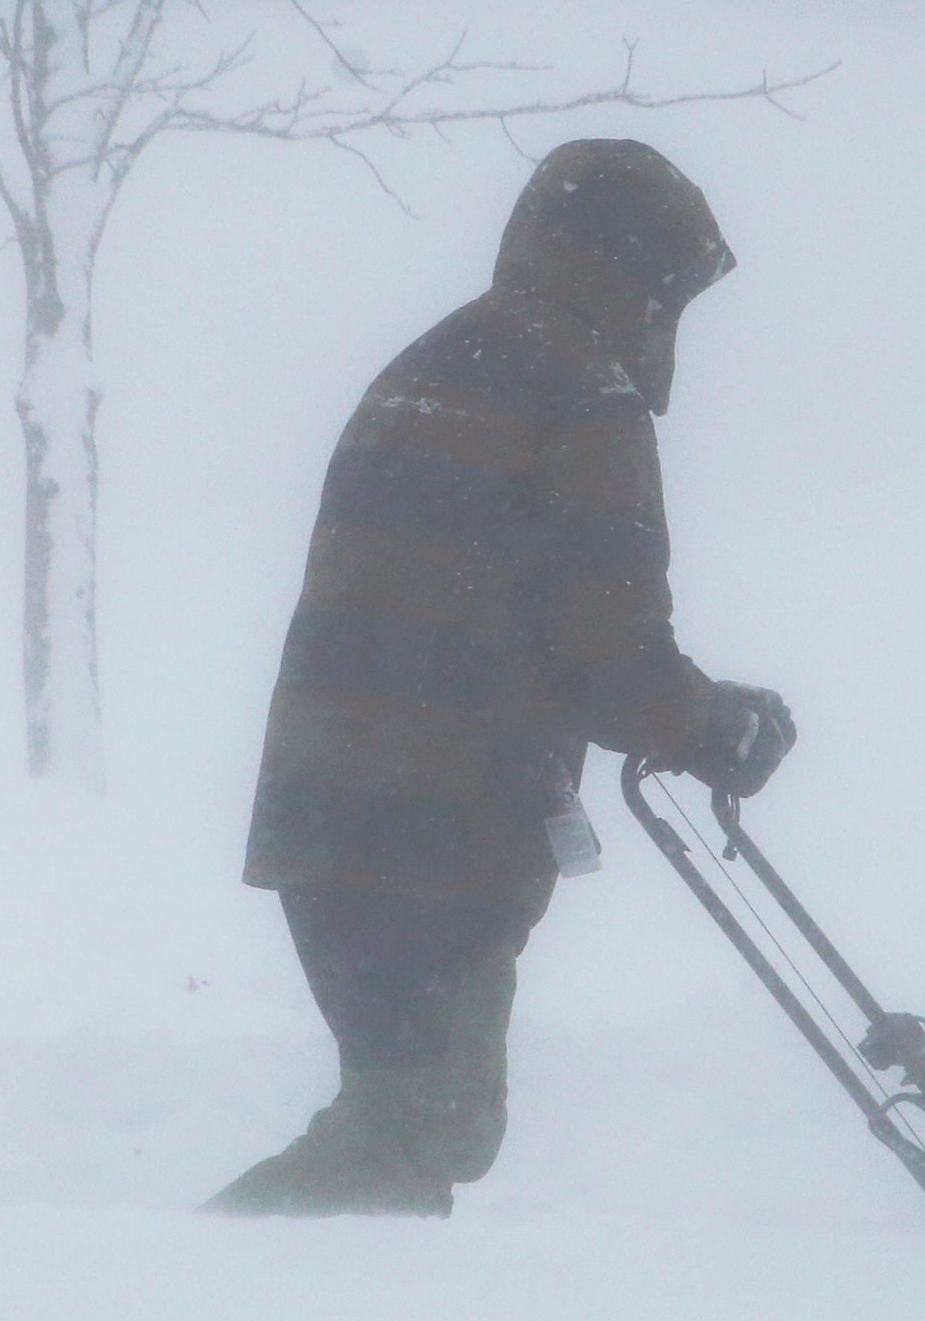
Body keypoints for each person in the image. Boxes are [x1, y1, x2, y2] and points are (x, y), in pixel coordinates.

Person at [206, 137, 794, 1218]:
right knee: (416, 1128)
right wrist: (715, 728)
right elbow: (609, 645)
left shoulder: (447, 358)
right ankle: (185, 1302)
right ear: (638, 280)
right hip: (433, 827)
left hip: (332, 812)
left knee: (411, 1125)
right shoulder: (580, 388)